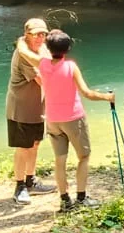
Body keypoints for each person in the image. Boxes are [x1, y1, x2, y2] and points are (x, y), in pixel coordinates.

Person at [38, 28, 115, 211]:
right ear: (68, 48)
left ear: (48, 48)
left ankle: (65, 201)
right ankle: (81, 198)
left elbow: (44, 50)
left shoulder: (42, 64)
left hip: (52, 120)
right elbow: (87, 93)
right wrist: (107, 97)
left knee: (60, 160)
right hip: (73, 119)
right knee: (84, 156)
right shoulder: (71, 67)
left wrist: (50, 37)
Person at [7, 17, 49, 205]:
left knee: (35, 144)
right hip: (21, 109)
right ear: (27, 35)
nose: (40, 38)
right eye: (36, 34)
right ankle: (19, 186)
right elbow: (42, 79)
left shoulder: (40, 49)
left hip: (36, 108)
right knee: (23, 147)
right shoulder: (23, 55)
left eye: (43, 34)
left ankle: (30, 180)